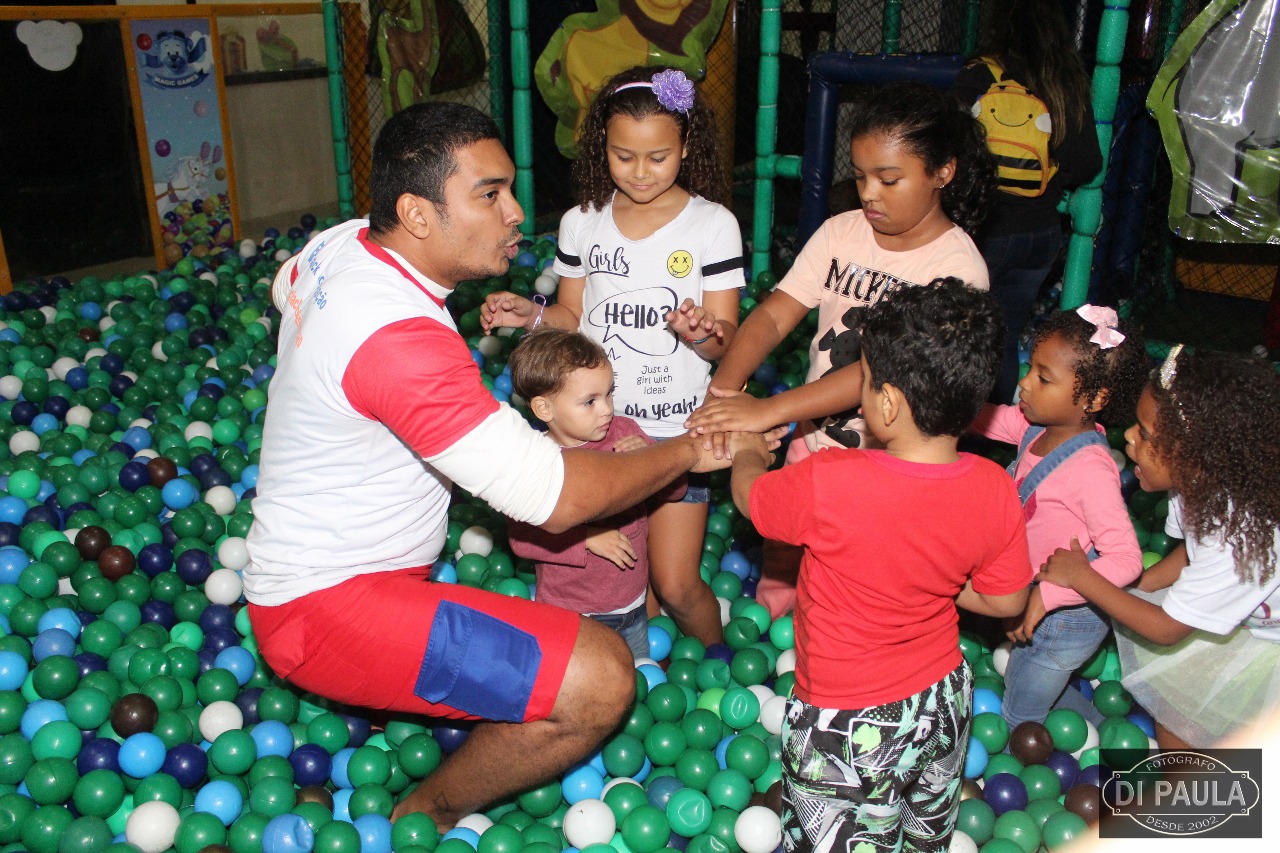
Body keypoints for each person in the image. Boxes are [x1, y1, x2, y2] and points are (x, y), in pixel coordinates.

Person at [244, 101, 757, 831]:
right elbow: (559, 499)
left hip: (333, 571)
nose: (518, 212)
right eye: (490, 194)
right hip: (326, 605)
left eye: (512, 188)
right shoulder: (401, 343)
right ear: (417, 214)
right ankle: (422, 811)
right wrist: (689, 449)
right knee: (602, 676)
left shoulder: (342, 244)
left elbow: (286, 284)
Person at [728, 279, 1032, 853]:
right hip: (942, 702)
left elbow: (756, 504)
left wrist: (749, 450)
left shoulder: (832, 480)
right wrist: (929, 579)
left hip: (845, 720)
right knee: (922, 839)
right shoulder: (995, 487)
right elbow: (1007, 602)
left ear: (887, 402)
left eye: (865, 382)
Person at [686, 81, 996, 616]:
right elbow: (774, 314)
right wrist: (724, 391)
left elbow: (877, 374)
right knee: (782, 558)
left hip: (889, 466)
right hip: (815, 439)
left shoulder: (955, 271)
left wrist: (766, 409)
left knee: (854, 585)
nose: (869, 193)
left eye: (889, 178)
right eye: (860, 177)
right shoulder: (839, 234)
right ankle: (775, 623)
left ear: (943, 172)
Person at [481, 65, 743, 646]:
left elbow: (726, 343)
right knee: (628, 571)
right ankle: (651, 667)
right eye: (625, 156)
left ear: (686, 147)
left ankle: (719, 665)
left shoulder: (712, 225)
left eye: (658, 157)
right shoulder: (582, 223)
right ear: (602, 149)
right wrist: (534, 317)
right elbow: (571, 317)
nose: (642, 172)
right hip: (596, 427)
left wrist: (701, 332)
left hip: (678, 432)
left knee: (674, 583)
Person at [1037, 347, 1280, 749]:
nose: (1130, 436)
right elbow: (1190, 554)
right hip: (1251, 616)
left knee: (1227, 734)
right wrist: (1141, 585)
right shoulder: (1198, 491)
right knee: (1179, 716)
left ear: (1196, 458)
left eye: (1145, 434)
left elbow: (1166, 629)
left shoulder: (1237, 539)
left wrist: (1083, 577)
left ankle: (1200, 807)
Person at [970, 306, 1148, 729]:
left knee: (1019, 714)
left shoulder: (1090, 469)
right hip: (1033, 595)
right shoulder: (1038, 426)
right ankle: (1097, 725)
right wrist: (939, 408)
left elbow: (1127, 560)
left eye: (1043, 378)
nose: (1025, 384)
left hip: (1069, 617)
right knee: (1033, 683)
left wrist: (1045, 597)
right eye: (1030, 368)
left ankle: (1101, 750)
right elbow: (988, 420)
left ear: (1094, 399)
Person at [951, 0, 1104, 403]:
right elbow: (1088, 161)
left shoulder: (979, 76)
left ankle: (950, 429)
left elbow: (948, 149)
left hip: (987, 231)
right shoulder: (1064, 81)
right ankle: (994, 432)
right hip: (1040, 234)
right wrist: (1050, 177)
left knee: (957, 332)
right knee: (1002, 336)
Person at [505, 329, 685, 660]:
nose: (606, 410)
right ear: (545, 409)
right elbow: (521, 540)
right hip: (573, 614)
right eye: (590, 402)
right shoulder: (538, 462)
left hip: (633, 605)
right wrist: (585, 538)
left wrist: (649, 457)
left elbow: (677, 489)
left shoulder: (627, 433)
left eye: (608, 394)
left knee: (636, 681)